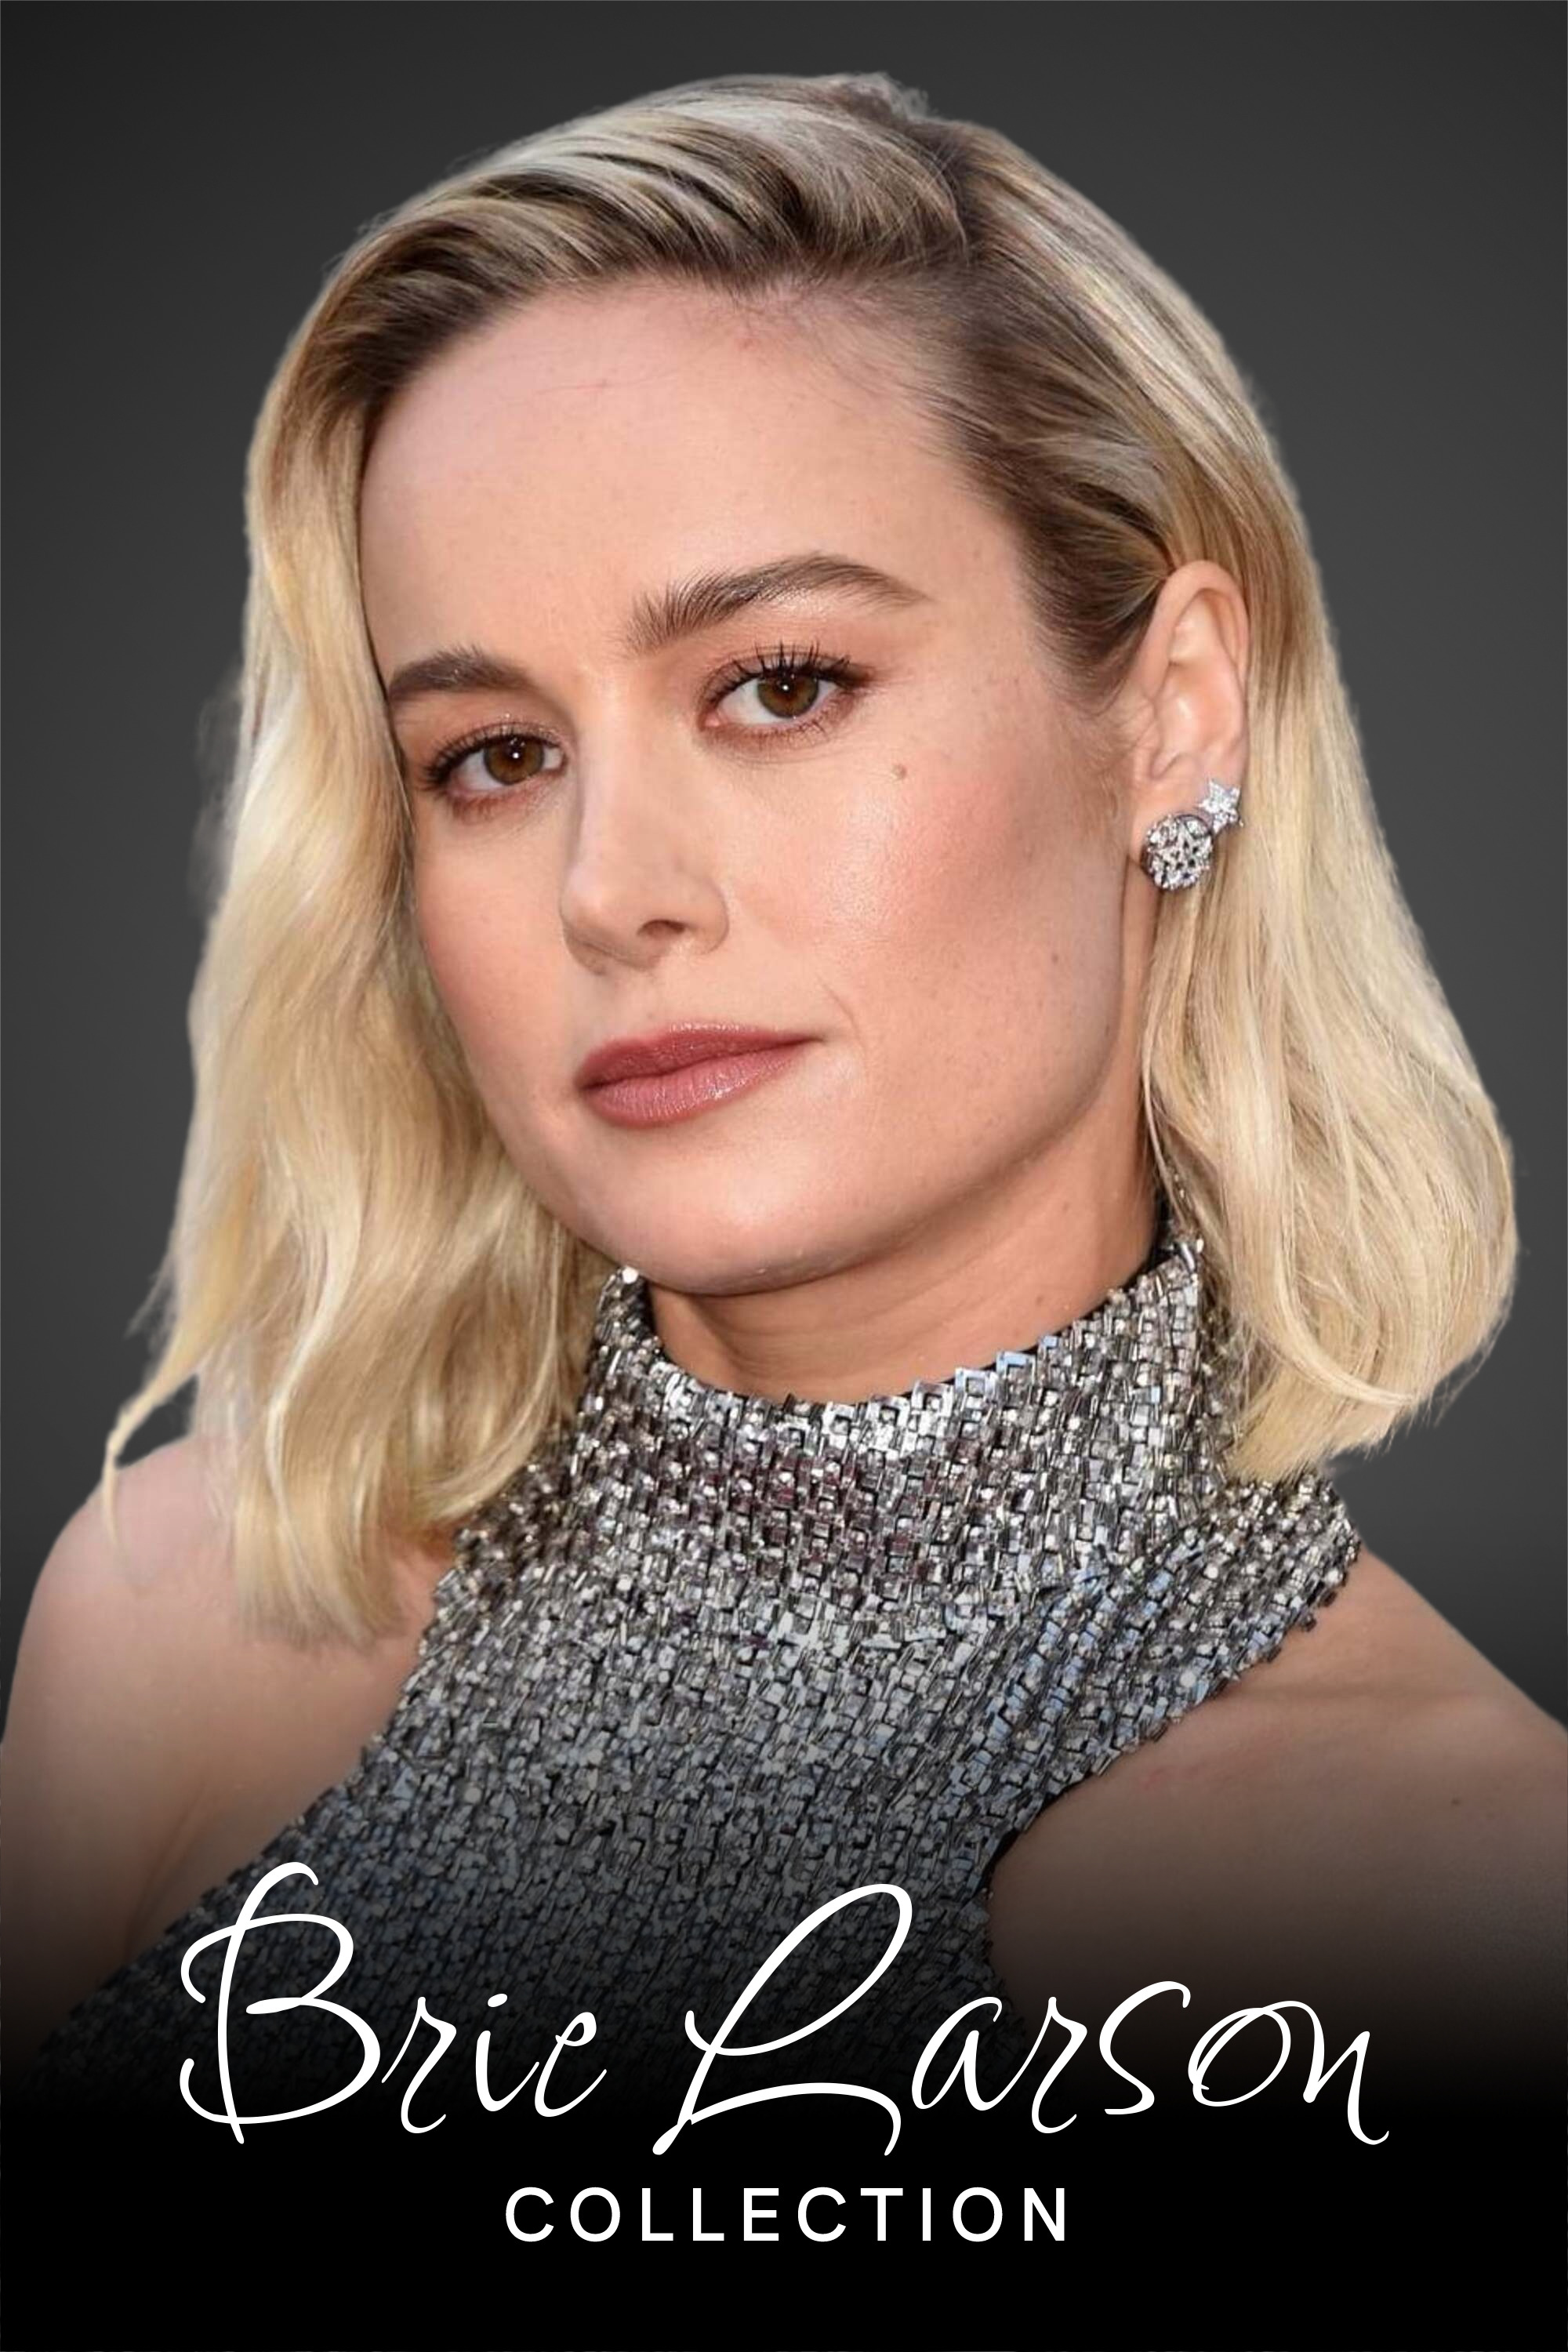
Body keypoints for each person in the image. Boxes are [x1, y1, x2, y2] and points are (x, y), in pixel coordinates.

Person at [2, 68, 1561, 2128]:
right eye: (493, 757)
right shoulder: (176, 1625)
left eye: (780, 685)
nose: (610, 892)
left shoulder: (1477, 1899)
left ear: (1175, 714)